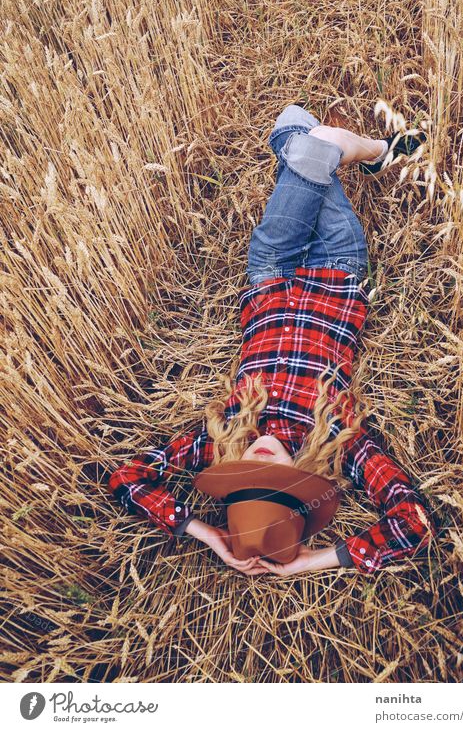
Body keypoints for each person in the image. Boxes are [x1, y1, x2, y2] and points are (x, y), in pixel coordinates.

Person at [108, 103, 435, 577]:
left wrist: (206, 534)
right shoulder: (338, 442)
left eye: (245, 481)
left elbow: (128, 479)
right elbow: (412, 520)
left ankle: (366, 151)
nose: (259, 461)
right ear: (299, 486)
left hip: (270, 270)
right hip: (338, 268)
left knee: (297, 130)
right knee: (305, 138)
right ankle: (367, 151)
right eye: (273, 480)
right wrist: (314, 561)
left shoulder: (223, 436)